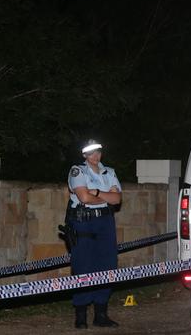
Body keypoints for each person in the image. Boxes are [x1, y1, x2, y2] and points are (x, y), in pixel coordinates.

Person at [66, 140, 122, 329]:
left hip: (105, 222)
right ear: (84, 155)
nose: (95, 156)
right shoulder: (77, 171)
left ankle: (101, 314)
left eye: (98, 151)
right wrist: (106, 197)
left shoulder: (109, 172)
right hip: (83, 222)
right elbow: (83, 197)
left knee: (108, 264)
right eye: (91, 153)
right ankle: (80, 314)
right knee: (83, 265)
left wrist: (96, 192)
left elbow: (117, 199)